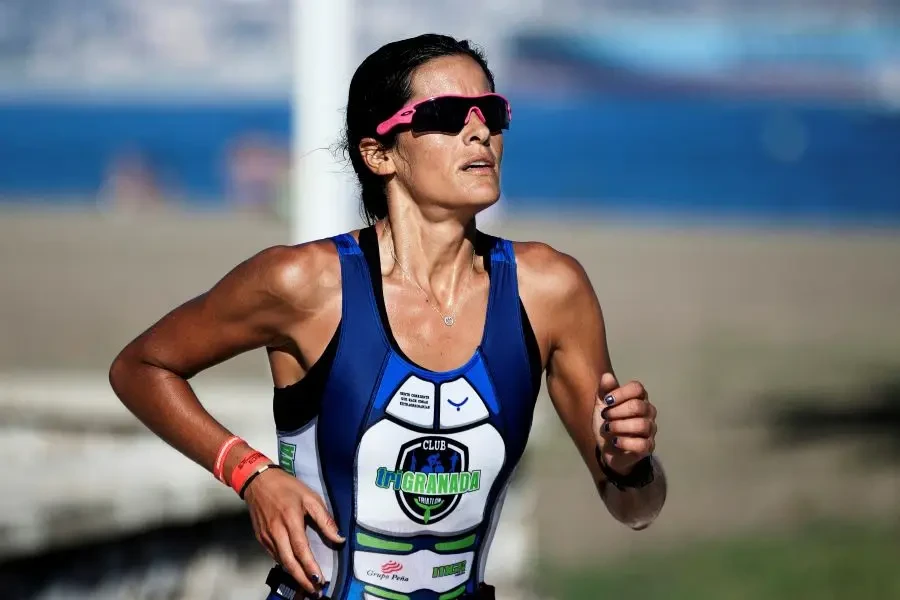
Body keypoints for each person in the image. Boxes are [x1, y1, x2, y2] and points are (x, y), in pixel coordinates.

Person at [109, 33, 667, 600]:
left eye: (492, 113)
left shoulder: (549, 289)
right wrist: (250, 473)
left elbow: (637, 509)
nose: (480, 131)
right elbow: (141, 366)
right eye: (447, 115)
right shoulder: (305, 283)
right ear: (379, 153)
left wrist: (631, 466)